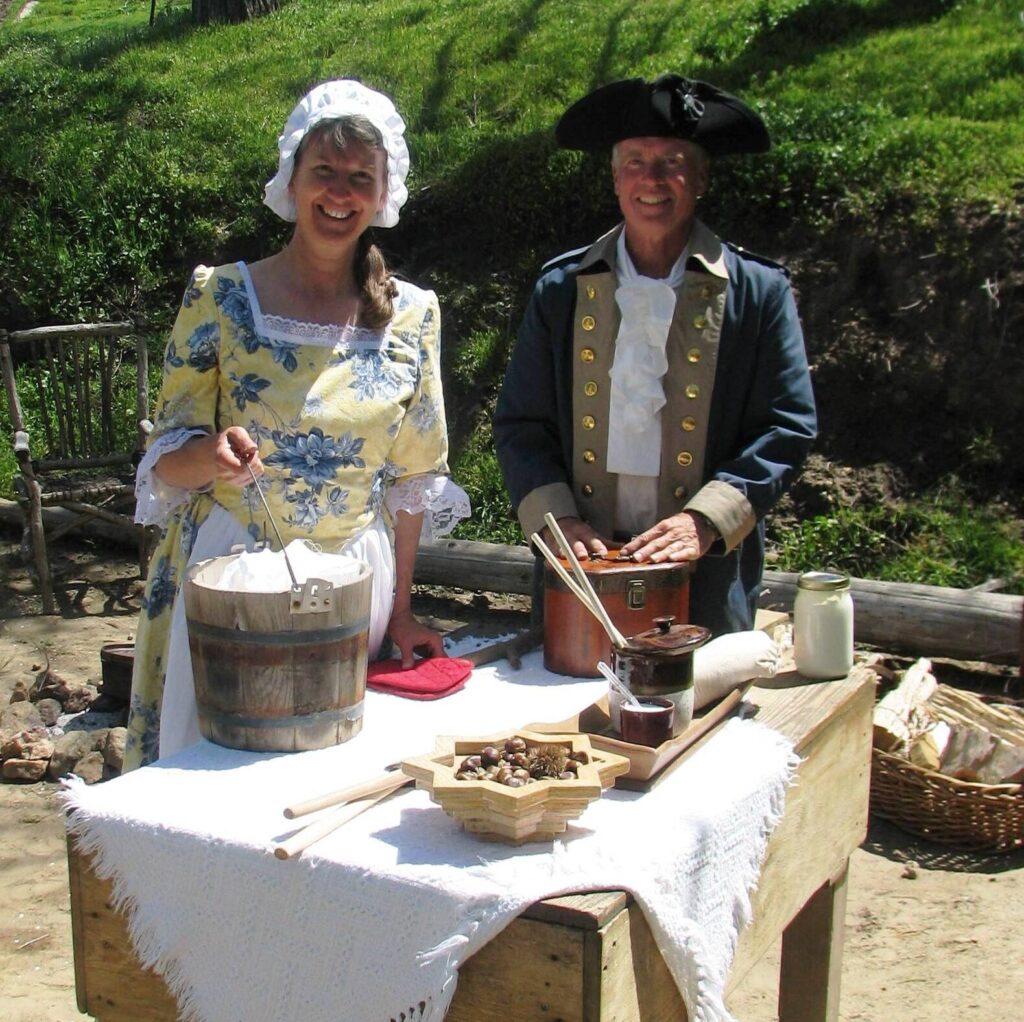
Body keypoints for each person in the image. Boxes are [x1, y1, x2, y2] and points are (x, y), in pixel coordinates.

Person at [124, 79, 469, 769]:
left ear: (382, 193)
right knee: (211, 783)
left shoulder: (413, 316)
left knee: (326, 774)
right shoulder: (221, 295)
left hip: (351, 584)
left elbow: (411, 483)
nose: (340, 193)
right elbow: (166, 459)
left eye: (359, 179)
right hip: (228, 582)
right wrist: (210, 456)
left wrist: (400, 611)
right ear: (292, 177)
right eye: (325, 172)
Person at [493, 74, 816, 637]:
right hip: (583, 566)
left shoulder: (757, 292)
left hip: (705, 569)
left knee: (701, 719)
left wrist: (706, 520)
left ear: (701, 178)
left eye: (673, 161)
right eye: (637, 162)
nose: (653, 179)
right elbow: (522, 423)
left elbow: (786, 427)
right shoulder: (562, 289)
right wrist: (558, 520)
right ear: (616, 179)